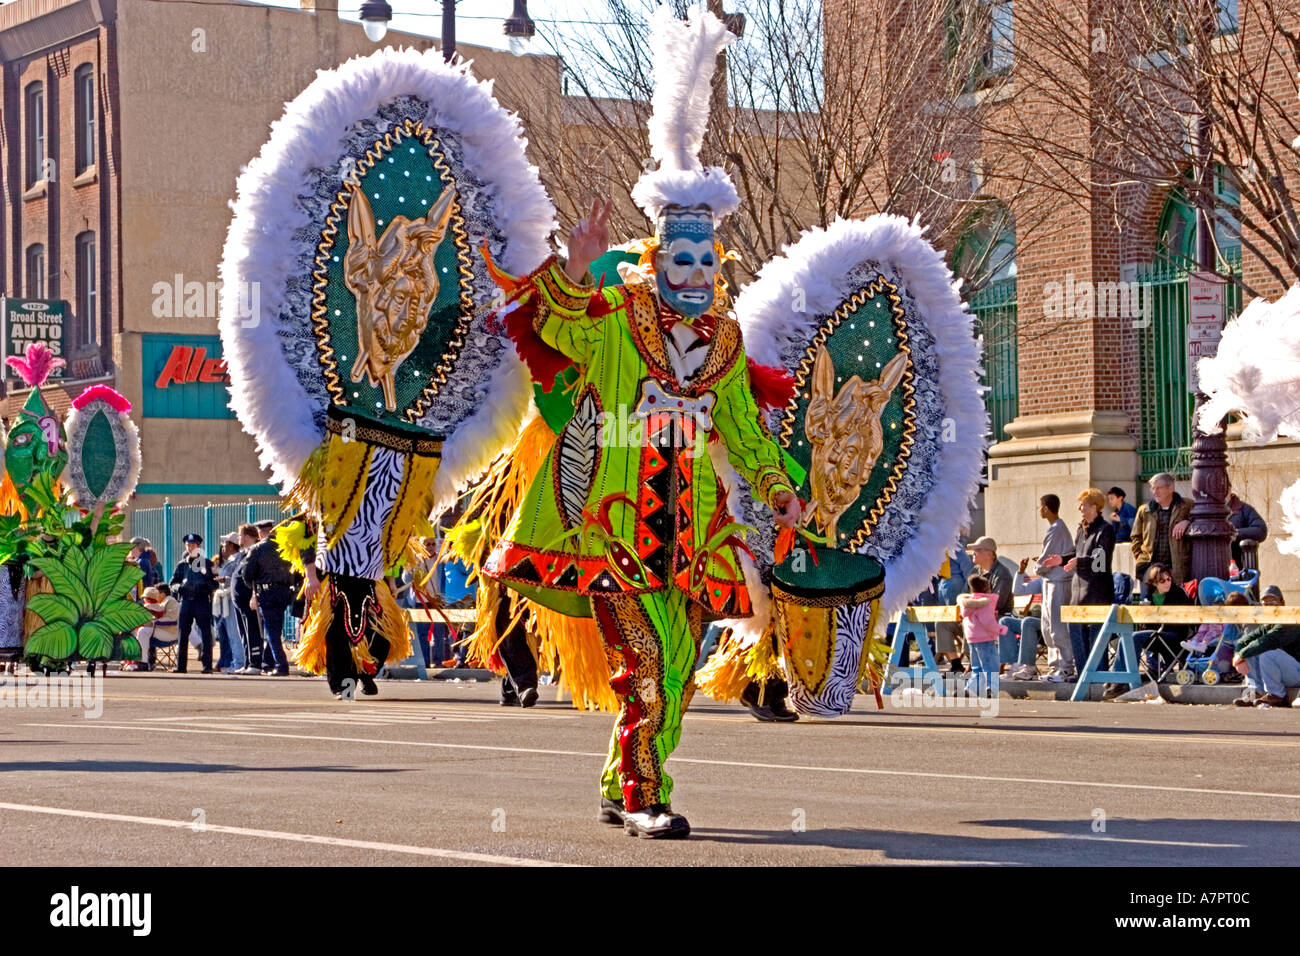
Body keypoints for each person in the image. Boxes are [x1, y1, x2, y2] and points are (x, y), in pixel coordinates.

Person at [481, 10, 802, 839]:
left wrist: (778, 490)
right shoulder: (618, 322)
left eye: (705, 260)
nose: (693, 273)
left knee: (682, 669)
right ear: (655, 263)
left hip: (694, 539)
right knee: (648, 671)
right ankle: (642, 798)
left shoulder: (727, 345)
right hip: (613, 534)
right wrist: (578, 265)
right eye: (679, 259)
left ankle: (619, 776)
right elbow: (551, 322)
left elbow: (747, 433)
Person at [1067, 488, 1116, 673]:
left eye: (1084, 504)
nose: (1080, 507)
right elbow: (1075, 554)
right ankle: (1082, 673)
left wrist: (1078, 562)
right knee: (1076, 632)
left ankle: (1099, 674)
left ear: (1095, 507)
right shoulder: (1080, 529)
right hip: (1078, 590)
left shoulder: (1106, 530)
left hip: (1097, 591)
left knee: (1097, 635)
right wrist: (1062, 559)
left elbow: (1100, 561)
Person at [240, 520, 295, 677]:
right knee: (276, 629)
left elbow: (247, 573)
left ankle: (281, 665)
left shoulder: (257, 549)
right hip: (284, 592)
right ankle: (269, 662)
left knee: (271, 631)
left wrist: (254, 589)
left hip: (266, 593)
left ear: (259, 533)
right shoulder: (285, 546)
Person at [1034, 494, 1076, 682]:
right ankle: (1054, 666)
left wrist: (1038, 567)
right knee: (1047, 626)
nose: (1039, 510)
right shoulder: (1055, 528)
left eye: (1041, 507)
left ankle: (1066, 666)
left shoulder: (1057, 529)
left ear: (1046, 508)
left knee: (1057, 627)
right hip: (1050, 580)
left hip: (1059, 581)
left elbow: (1048, 557)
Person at [1131, 473, 1192, 592]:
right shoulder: (1145, 510)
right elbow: (1135, 537)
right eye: (1152, 488)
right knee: (1148, 604)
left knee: (1174, 605)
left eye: (1158, 488)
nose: (1154, 492)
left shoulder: (1187, 506)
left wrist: (1187, 522)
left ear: (1170, 488)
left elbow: (1201, 521)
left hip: (1176, 568)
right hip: (1149, 568)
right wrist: (1140, 557)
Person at [168, 533, 218, 673]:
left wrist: (204, 587)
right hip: (186, 602)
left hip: (201, 601)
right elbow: (173, 582)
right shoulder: (182, 564)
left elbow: (214, 583)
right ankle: (181, 666)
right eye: (188, 545)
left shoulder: (206, 564)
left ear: (198, 546)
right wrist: (179, 588)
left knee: (206, 634)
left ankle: (207, 666)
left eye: (193, 545)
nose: (190, 548)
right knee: (183, 634)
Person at [1232, 618, 1300, 707]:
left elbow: (1268, 641)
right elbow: (1243, 642)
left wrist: (1241, 655)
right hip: (1289, 672)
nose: (1266, 608)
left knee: (1267, 653)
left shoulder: (1291, 623)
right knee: (1250, 650)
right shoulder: (1269, 625)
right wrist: (1238, 656)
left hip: (1297, 672)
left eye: (1270, 605)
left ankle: (1277, 695)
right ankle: (1257, 692)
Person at [957, 574, 1005, 696]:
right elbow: (987, 621)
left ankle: (972, 687)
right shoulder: (984, 603)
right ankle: (991, 688)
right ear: (986, 588)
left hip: (972, 638)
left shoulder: (968, 603)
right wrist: (1000, 629)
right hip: (985, 638)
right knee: (991, 665)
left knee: (976, 666)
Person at [1001, 558, 1044, 679]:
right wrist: (1020, 572)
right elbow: (1018, 590)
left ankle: (1029, 667)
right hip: (1042, 620)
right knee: (1005, 622)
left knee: (1028, 621)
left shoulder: (1061, 579)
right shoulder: (1042, 581)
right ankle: (1014, 666)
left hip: (1054, 623)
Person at [137, 586, 181, 672]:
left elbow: (171, 619)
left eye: (157, 594)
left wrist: (154, 621)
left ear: (163, 594)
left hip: (169, 632)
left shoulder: (171, 601)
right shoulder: (161, 603)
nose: (156, 596)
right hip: (161, 631)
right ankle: (142, 662)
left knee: (143, 632)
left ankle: (143, 663)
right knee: (139, 631)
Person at [1227, 491, 1268, 570]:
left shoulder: (1244, 509)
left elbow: (1261, 530)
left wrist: (1235, 533)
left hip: (1238, 568)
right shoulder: (1204, 510)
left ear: (1228, 490)